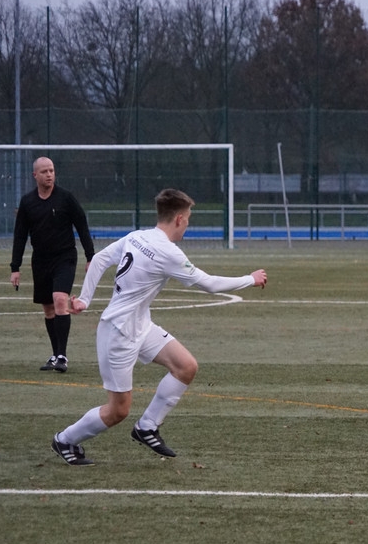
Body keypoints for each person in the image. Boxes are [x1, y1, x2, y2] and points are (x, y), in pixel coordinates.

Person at [50, 188, 268, 466]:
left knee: (186, 366)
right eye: (188, 219)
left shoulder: (137, 236)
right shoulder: (168, 252)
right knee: (118, 410)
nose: (187, 225)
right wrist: (250, 279)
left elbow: (101, 258)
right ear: (179, 219)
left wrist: (84, 298)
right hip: (118, 333)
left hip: (140, 325)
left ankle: (147, 427)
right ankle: (65, 440)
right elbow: (209, 284)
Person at [10, 156, 95, 371]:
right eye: (44, 171)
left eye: (52, 170)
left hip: (65, 258)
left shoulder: (66, 198)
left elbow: (82, 226)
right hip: (40, 261)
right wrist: (15, 267)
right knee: (48, 309)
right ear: (35, 175)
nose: (49, 175)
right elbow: (20, 235)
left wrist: (90, 256)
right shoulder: (28, 202)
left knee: (59, 299)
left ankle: (62, 357)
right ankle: (55, 354)